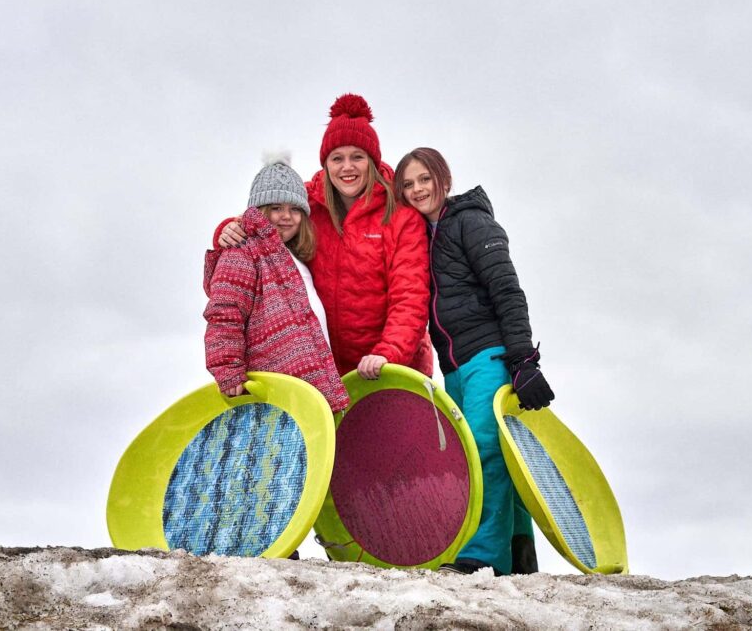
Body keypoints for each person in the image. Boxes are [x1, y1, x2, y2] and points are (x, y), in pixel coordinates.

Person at [394, 147, 555, 576]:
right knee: (496, 452)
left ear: (442, 179)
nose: (417, 190)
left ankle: (482, 556)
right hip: (455, 367)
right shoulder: (421, 237)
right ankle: (520, 553)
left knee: (483, 452)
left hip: (488, 355)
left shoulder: (470, 222)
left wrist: (523, 359)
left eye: (424, 179)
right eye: (408, 184)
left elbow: (507, 289)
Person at [216, 94, 431, 380]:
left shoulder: (400, 216)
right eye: (337, 158)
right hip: (328, 374)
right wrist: (230, 227)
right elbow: (268, 215)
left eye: (357, 157)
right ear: (325, 163)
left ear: (372, 161)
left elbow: (410, 295)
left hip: (389, 366)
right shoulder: (308, 204)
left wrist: (388, 352)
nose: (347, 167)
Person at [204, 156, 349, 413]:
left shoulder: (295, 257)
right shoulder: (242, 251)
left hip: (309, 389)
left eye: (294, 210)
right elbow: (225, 314)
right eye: (276, 208)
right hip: (274, 392)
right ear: (259, 209)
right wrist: (228, 371)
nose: (286, 217)